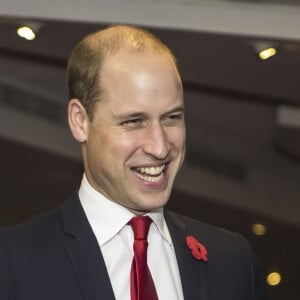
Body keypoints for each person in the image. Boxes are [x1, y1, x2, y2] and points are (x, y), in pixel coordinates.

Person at [0, 25, 267, 300]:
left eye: (171, 118)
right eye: (134, 121)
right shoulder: (13, 263)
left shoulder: (232, 263)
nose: (160, 147)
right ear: (80, 121)